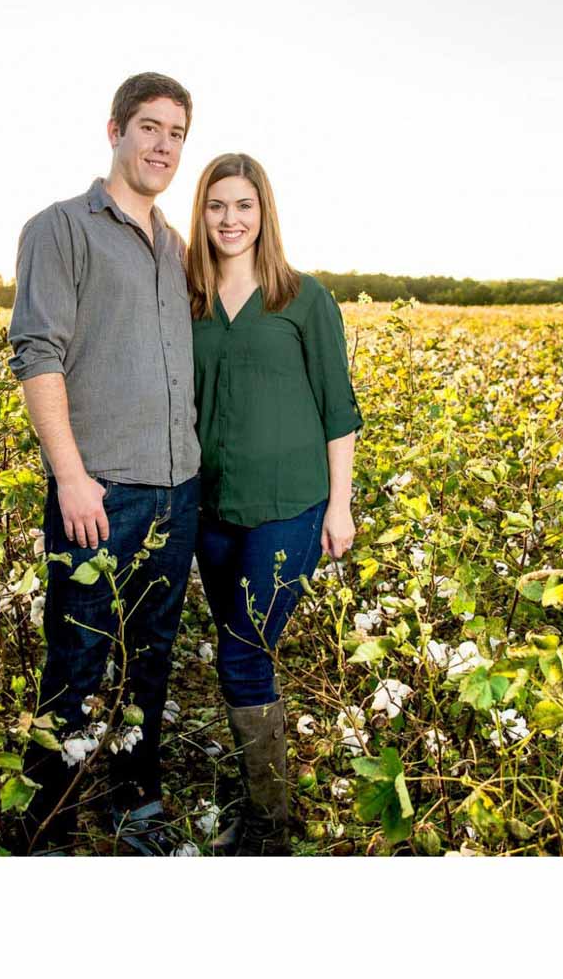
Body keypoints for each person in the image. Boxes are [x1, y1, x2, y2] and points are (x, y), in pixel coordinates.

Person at [7, 73, 200, 854]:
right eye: (149, 128)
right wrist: (71, 476)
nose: (162, 146)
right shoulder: (61, 228)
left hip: (176, 489)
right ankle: (46, 818)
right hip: (100, 490)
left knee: (150, 659)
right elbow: (38, 354)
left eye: (177, 134)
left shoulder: (176, 247)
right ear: (114, 130)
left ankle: (132, 803)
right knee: (78, 656)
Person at [186, 152, 363, 855]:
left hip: (290, 504)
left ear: (264, 214)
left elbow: (338, 407)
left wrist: (339, 506)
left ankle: (268, 825)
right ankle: (259, 797)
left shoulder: (302, 298)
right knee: (238, 649)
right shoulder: (187, 298)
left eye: (243, 206)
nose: (231, 219)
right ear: (201, 214)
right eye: (217, 206)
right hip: (209, 508)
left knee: (243, 652)